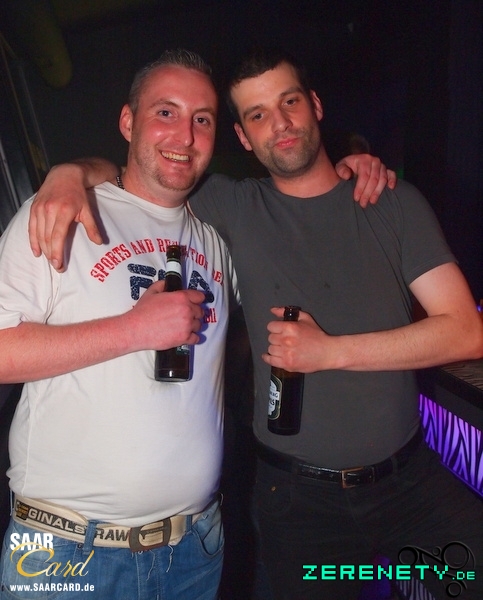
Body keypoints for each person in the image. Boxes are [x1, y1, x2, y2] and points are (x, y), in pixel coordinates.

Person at [27, 48, 483, 600]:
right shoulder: (227, 206)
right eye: (258, 114)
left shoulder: (391, 201)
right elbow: (145, 170)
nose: (281, 123)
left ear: (315, 106)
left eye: (290, 102)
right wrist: (70, 174)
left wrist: (331, 351)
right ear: (243, 137)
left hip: (409, 485)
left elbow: (466, 331)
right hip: (298, 505)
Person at [0, 49, 240, 600]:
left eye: (202, 119)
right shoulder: (59, 212)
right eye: (165, 112)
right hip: (63, 550)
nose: (185, 135)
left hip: (195, 547)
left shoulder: (214, 241)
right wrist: (133, 330)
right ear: (128, 122)